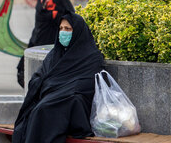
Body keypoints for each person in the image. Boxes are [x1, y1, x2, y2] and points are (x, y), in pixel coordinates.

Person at [13, 12, 105, 143]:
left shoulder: (91, 56)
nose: (63, 32)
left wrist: (57, 86)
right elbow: (41, 75)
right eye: (61, 28)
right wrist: (46, 83)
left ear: (77, 31)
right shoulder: (55, 53)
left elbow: (87, 83)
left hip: (70, 100)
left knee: (43, 109)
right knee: (36, 111)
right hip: (51, 96)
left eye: (68, 29)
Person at [17, 0, 74, 88]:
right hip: (38, 37)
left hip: (51, 39)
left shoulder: (60, 2)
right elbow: (40, 17)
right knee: (24, 68)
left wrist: (54, 15)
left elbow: (66, 16)